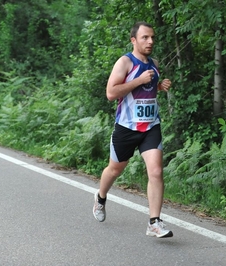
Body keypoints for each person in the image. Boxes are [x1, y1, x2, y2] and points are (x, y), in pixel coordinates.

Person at [92, 21, 173, 238]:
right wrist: (138, 80)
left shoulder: (154, 63)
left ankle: (154, 222)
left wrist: (158, 86)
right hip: (126, 128)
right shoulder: (125, 62)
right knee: (115, 170)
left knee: (156, 171)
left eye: (153, 37)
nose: (150, 41)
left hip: (150, 127)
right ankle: (100, 198)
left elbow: (147, 88)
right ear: (134, 40)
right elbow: (111, 93)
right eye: (145, 37)